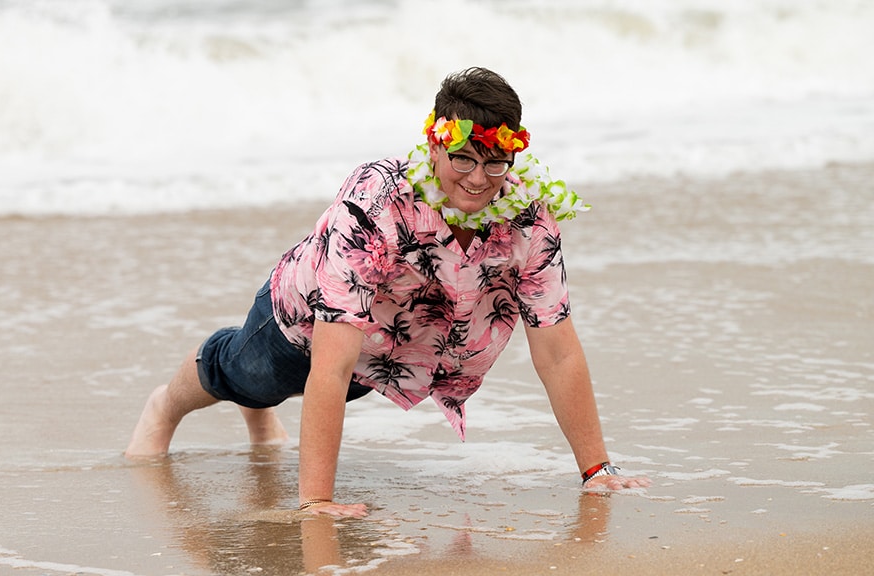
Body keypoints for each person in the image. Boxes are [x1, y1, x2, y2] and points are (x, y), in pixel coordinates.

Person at [125, 67, 651, 517]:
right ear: (434, 144)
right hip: (305, 322)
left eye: (494, 163)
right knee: (248, 375)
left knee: (315, 390)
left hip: (386, 353)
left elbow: (557, 351)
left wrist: (596, 470)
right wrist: (316, 504)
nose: (477, 178)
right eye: (463, 158)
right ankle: (164, 408)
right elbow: (328, 362)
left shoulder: (529, 220)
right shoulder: (377, 199)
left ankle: (258, 408)